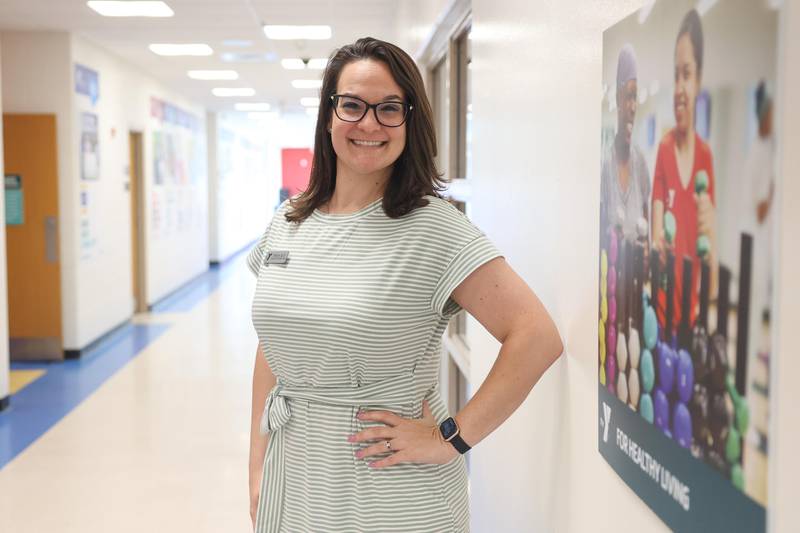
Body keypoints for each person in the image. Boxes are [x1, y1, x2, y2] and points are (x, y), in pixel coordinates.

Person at [246, 37, 563, 532]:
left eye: (389, 108)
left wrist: (448, 438)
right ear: (329, 115)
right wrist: (257, 466)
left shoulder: (434, 229)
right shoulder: (288, 222)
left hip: (391, 487)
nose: (369, 123)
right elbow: (275, 348)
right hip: (298, 473)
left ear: (409, 121)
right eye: (352, 105)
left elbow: (536, 336)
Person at [651, 9, 718, 332]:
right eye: (675, 74)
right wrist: (658, 243)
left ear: (699, 79)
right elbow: (655, 235)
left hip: (692, 318)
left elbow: (714, 283)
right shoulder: (664, 149)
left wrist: (712, 235)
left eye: (687, 74)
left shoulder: (705, 156)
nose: (679, 87)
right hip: (662, 314)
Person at [601, 44, 651, 244]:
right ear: (617, 99)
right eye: (627, 96)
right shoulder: (605, 166)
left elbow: (646, 217)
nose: (632, 106)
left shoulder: (640, 164)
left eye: (635, 97)